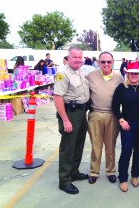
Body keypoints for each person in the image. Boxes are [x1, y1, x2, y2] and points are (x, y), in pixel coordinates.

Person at [53, 46, 90, 194]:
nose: (78, 60)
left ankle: (74, 172)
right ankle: (65, 181)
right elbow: (57, 97)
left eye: (80, 57)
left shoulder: (80, 71)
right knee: (68, 147)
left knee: (78, 145)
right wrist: (65, 120)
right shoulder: (63, 74)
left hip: (81, 112)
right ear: (68, 57)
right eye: (74, 57)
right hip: (70, 113)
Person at [112, 61, 139, 192]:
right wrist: (121, 120)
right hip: (127, 125)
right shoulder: (121, 88)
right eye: (131, 73)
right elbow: (115, 105)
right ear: (127, 73)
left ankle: (135, 175)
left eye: (136, 73)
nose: (134, 75)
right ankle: (123, 178)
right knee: (126, 151)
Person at [86, 52, 124, 185]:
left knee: (110, 146)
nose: (106, 64)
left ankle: (111, 171)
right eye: (103, 62)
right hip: (95, 114)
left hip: (112, 115)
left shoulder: (119, 78)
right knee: (96, 146)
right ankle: (94, 172)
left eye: (109, 62)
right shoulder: (91, 76)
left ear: (113, 62)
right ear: (98, 63)